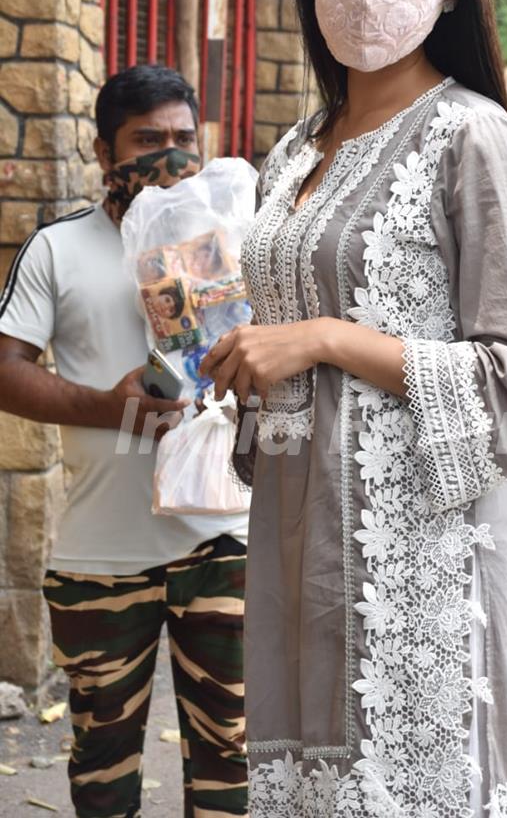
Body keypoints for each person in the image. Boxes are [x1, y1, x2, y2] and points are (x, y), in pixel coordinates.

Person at [201, 0, 507, 817]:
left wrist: (322, 339)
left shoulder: (474, 139)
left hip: (424, 584)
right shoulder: (295, 150)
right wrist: (252, 360)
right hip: (299, 560)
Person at [0, 65, 249, 818]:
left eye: (182, 140)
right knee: (103, 763)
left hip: (221, 540)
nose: (168, 158)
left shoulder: (230, 244)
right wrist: (109, 408)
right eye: (147, 142)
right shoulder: (59, 248)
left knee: (231, 752)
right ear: (105, 151)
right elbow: (6, 372)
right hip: (98, 561)